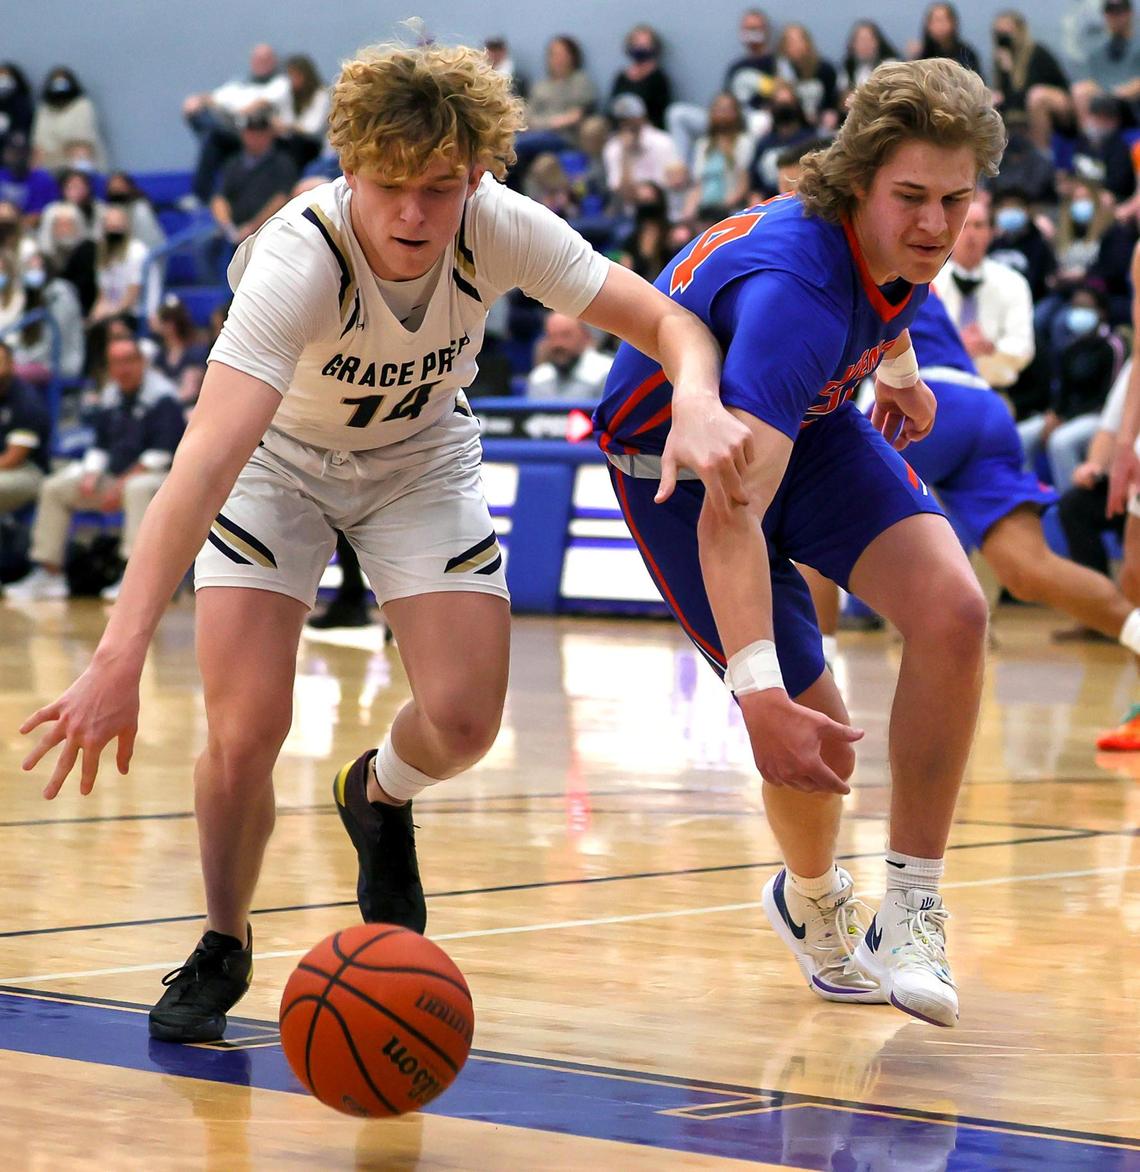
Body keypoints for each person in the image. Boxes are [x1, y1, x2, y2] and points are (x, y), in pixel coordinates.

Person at [18, 41, 746, 1044]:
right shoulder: (299, 258)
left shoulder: (497, 227)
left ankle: (376, 792)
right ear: (350, 170)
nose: (412, 212)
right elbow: (201, 464)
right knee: (247, 728)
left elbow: (669, 321)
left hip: (420, 457)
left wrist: (699, 401)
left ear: (477, 175)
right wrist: (119, 652)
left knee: (464, 720)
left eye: (438, 188)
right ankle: (222, 937)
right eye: (390, 185)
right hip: (279, 465)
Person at [594, 58, 1007, 1028]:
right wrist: (759, 694)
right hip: (678, 470)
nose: (938, 226)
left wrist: (898, 369)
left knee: (955, 611)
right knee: (811, 731)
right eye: (912, 197)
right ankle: (811, 897)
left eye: (957, 199)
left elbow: (891, 293)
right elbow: (727, 513)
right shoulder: (797, 297)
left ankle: (911, 905)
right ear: (858, 181)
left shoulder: (895, 239)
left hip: (803, 425)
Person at [808, 294, 1140, 663]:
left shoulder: (840, 248)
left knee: (816, 508)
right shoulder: (918, 268)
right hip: (983, 404)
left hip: (925, 392)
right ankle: (1135, 629)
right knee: (1029, 568)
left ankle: (818, 679)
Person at [5, 337, 182, 602]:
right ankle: (49, 574)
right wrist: (91, 474)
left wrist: (120, 484)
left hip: (158, 478)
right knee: (55, 488)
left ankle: (133, 579)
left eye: (129, 361)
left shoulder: (164, 396)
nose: (123, 369)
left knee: (136, 489)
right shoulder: (111, 394)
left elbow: (162, 453)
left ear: (141, 362)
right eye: (116, 363)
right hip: (115, 476)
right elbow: (99, 444)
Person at [931, 199, 1035, 394]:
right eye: (963, 225)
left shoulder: (1013, 283)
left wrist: (990, 347)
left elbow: (1024, 348)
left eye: (979, 226)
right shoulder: (929, 284)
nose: (971, 234)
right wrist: (955, 344)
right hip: (936, 391)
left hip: (994, 391)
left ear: (990, 233)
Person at [525, 313, 613, 400]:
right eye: (552, 336)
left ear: (585, 337)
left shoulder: (606, 372)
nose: (558, 343)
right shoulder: (539, 378)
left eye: (565, 335)